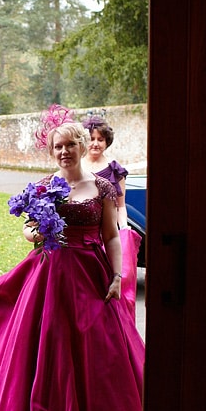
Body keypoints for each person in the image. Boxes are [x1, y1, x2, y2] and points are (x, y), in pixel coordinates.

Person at [0, 108, 145, 411]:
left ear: (83, 146)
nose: (64, 151)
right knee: (45, 347)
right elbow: (27, 228)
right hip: (49, 275)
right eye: (58, 147)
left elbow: (112, 237)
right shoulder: (44, 187)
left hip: (91, 276)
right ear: (52, 151)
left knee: (98, 353)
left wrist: (117, 276)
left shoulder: (101, 187)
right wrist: (33, 232)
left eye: (70, 145)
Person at [81, 112, 143, 319]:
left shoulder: (116, 171)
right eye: (91, 139)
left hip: (107, 232)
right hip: (85, 233)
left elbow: (120, 206)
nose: (95, 144)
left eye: (100, 139)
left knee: (109, 282)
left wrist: (124, 229)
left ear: (107, 142)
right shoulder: (77, 167)